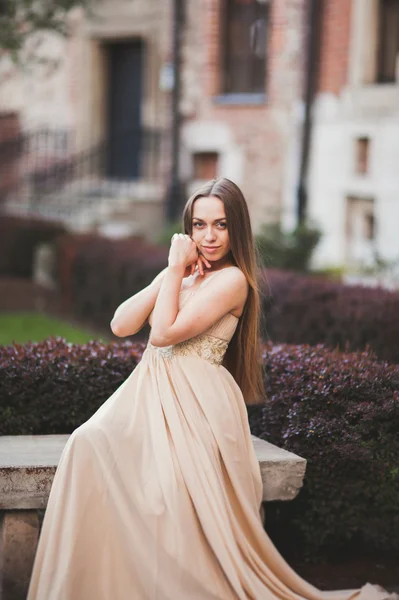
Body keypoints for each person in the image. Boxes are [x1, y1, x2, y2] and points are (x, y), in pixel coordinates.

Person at [27, 178, 394, 600]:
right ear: (187, 230)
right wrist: (172, 272)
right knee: (87, 442)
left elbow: (163, 333)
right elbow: (121, 324)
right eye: (199, 225)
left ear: (236, 228)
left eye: (220, 225)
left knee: (165, 488)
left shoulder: (233, 280)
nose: (209, 236)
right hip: (146, 394)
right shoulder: (180, 276)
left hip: (197, 403)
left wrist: (174, 271)